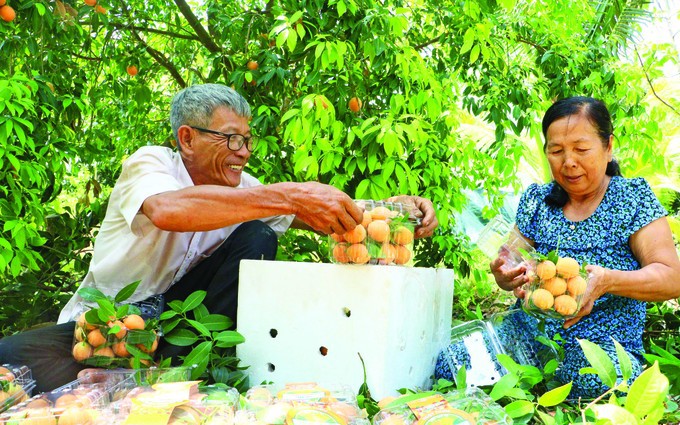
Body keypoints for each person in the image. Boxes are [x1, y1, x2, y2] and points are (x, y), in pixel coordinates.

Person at [0, 83, 438, 392]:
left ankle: (175, 370)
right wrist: (285, 195)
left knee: (257, 234)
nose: (243, 152)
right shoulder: (150, 165)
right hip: (107, 322)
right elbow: (168, 210)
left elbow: (317, 213)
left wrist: (391, 207)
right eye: (230, 139)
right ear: (187, 138)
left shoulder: (245, 189)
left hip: (180, 328)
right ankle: (129, 366)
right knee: (11, 365)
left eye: (247, 140)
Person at [437, 96, 680, 399]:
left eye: (581, 149)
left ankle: (535, 391)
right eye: (556, 151)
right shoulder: (537, 200)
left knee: (591, 380)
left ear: (608, 147)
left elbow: (671, 278)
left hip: (601, 345)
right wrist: (505, 274)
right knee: (453, 363)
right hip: (525, 337)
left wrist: (607, 281)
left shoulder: (632, 199)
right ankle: (527, 386)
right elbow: (511, 259)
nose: (568, 162)